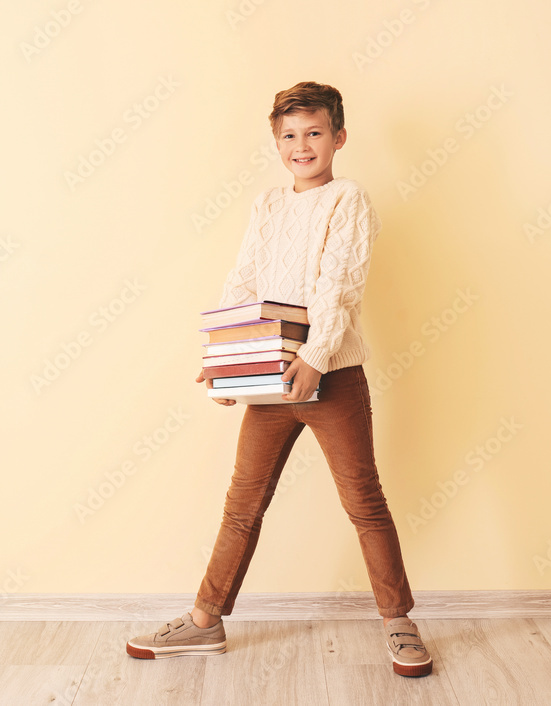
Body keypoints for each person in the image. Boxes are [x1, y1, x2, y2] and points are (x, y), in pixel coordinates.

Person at [125, 81, 433, 678]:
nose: (302, 145)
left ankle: (399, 621)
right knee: (242, 504)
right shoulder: (267, 205)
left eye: (315, 132)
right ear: (276, 142)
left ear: (338, 138)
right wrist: (224, 357)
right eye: (289, 135)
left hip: (331, 376)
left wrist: (315, 356)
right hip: (269, 374)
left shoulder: (348, 199)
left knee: (364, 502)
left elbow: (339, 285)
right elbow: (244, 280)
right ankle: (205, 620)